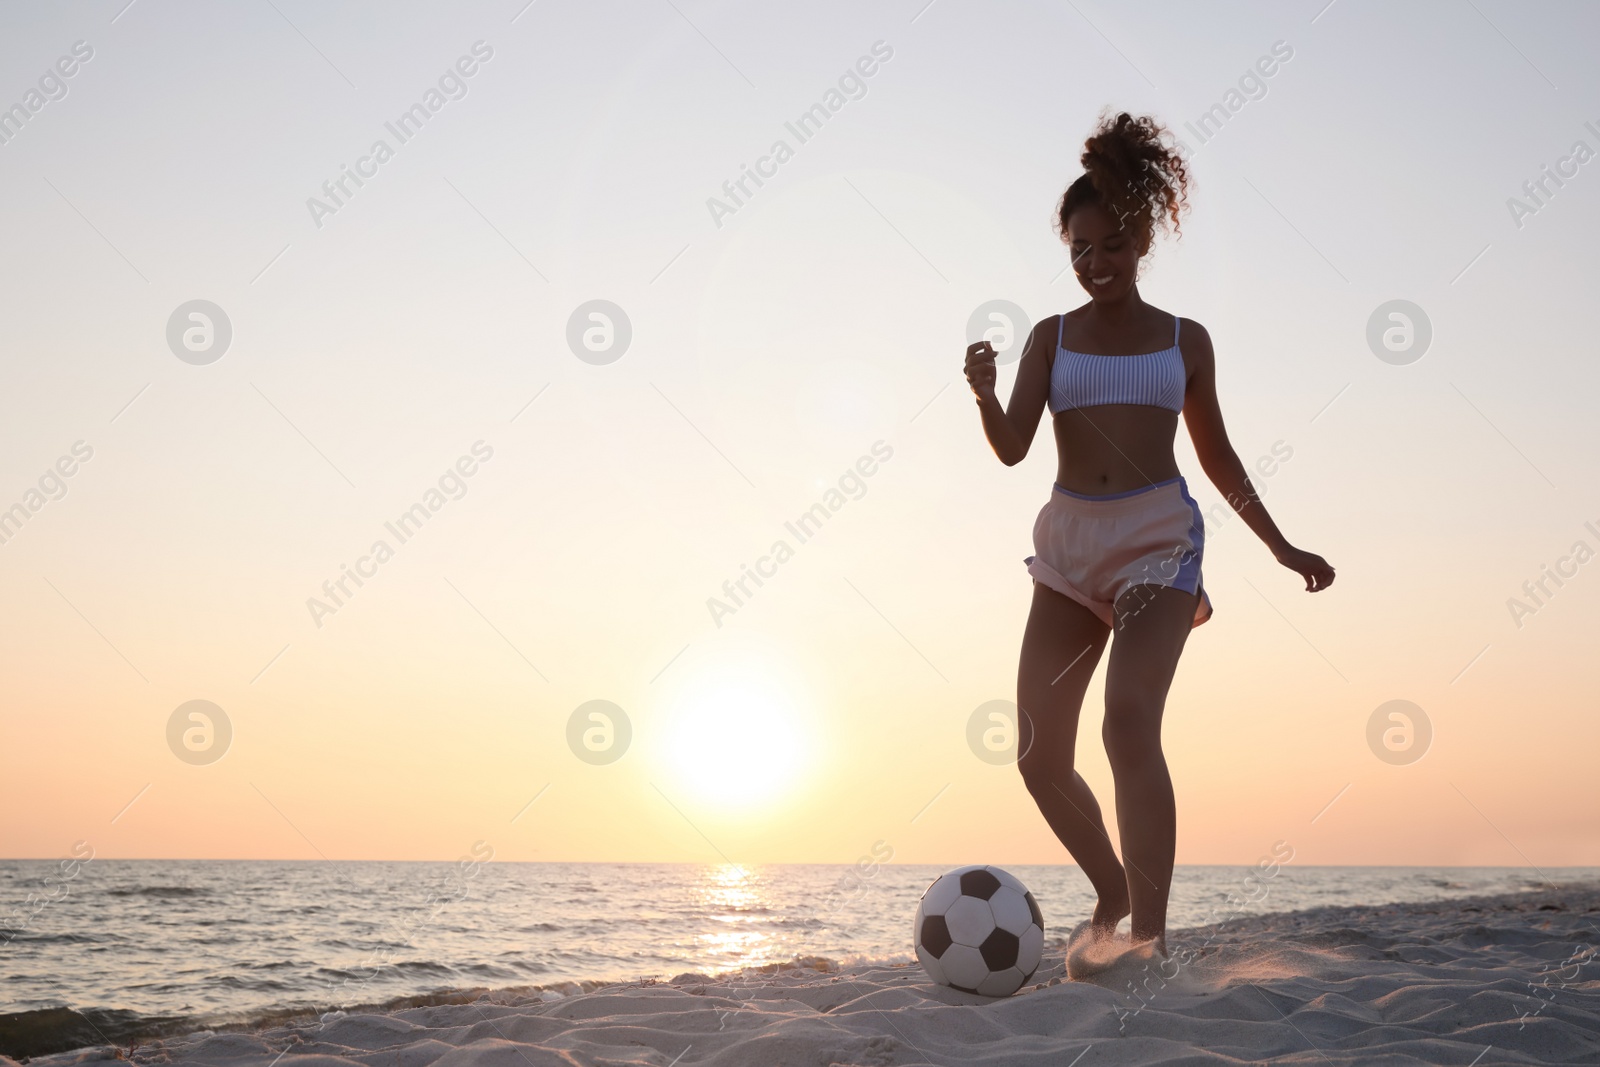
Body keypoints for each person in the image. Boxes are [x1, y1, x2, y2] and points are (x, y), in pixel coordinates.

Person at [963, 110, 1335, 962]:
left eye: (1112, 247)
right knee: (1036, 753)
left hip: (1158, 543)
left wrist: (1281, 547)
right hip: (1068, 545)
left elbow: (1219, 456)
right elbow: (1015, 447)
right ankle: (1113, 886)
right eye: (1080, 252)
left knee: (1127, 722)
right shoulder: (1053, 339)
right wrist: (985, 394)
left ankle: (1150, 939)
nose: (1097, 265)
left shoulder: (1184, 341)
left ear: (1142, 240)